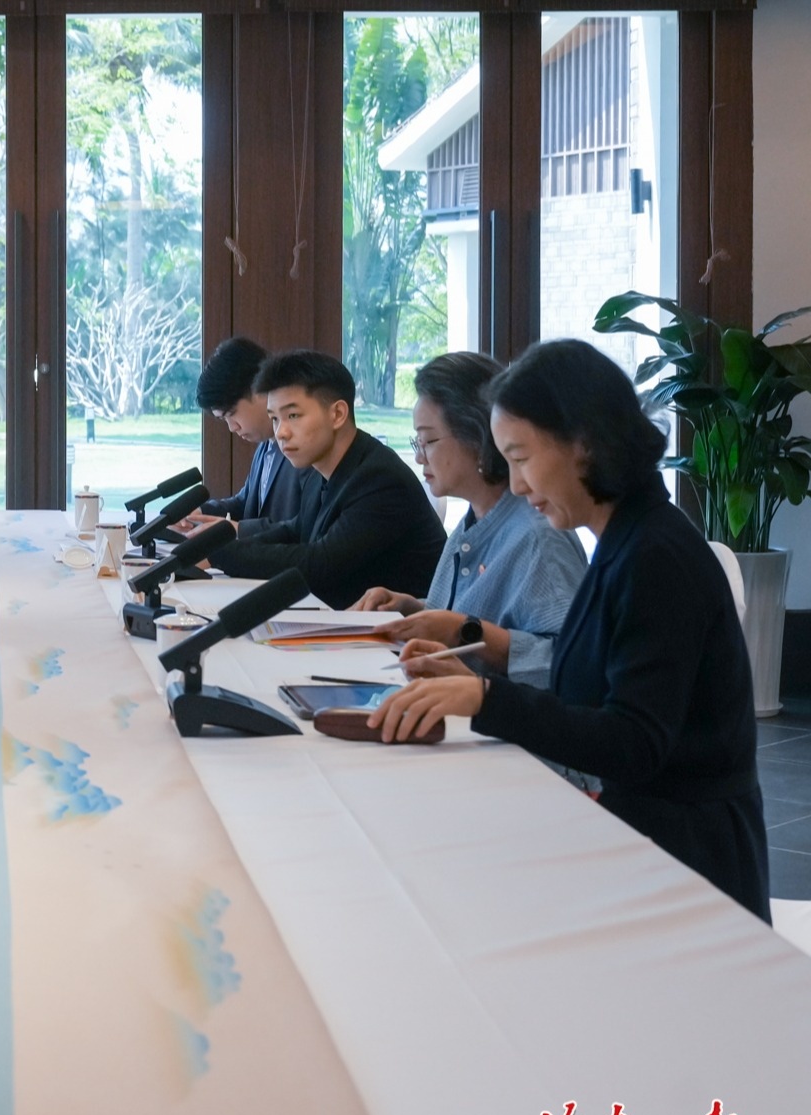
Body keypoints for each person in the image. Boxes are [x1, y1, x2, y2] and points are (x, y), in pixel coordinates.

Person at [369, 340, 770, 922]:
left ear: (584, 443)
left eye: (521, 457)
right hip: (647, 834)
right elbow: (591, 693)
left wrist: (485, 697)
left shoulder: (655, 556)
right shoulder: (626, 538)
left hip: (690, 865)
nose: (515, 483)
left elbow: (633, 743)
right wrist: (471, 680)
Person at [348, 352, 587, 686]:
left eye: (428, 441)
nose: (419, 456)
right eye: (417, 441)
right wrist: (413, 609)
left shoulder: (538, 536)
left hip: (496, 716)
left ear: (477, 435)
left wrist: (465, 631)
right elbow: (466, 617)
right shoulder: (474, 518)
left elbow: (574, 662)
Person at [199, 350, 447, 608]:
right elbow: (296, 530)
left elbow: (320, 564)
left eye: (293, 416)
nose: (281, 432)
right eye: (274, 419)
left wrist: (221, 555)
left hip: (396, 629)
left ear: (337, 414)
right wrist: (218, 544)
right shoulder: (320, 470)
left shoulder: (380, 478)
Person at [180, 336, 308, 530]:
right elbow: (245, 502)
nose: (232, 427)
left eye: (232, 414)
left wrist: (241, 531)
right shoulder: (265, 444)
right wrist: (200, 513)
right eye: (224, 419)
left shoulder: (304, 447)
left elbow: (302, 528)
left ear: (259, 388)